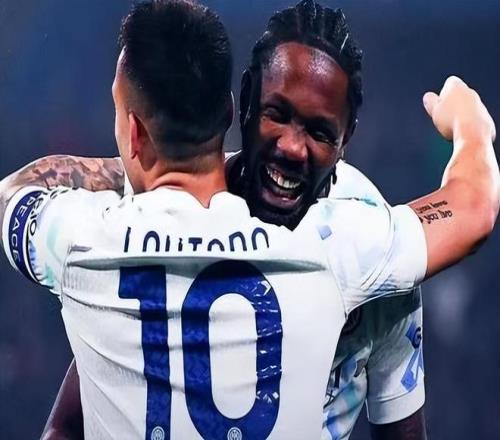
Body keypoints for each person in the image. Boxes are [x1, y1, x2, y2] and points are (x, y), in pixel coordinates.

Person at [1, 0, 497, 439]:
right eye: (277, 114)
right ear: (237, 108)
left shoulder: (96, 240)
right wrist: (471, 124)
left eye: (319, 132)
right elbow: (473, 206)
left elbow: (13, 194)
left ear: (346, 140)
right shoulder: (347, 244)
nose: (292, 148)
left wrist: (151, 157)